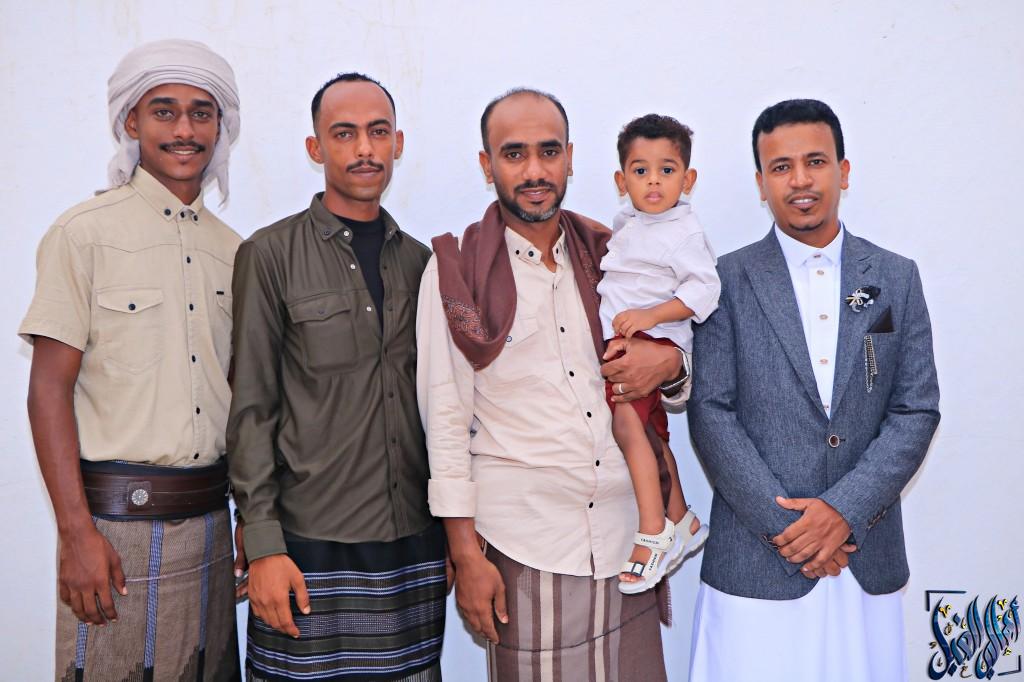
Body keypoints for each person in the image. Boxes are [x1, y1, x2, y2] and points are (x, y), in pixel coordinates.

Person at [417, 88, 689, 681]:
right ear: (487, 164)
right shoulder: (456, 272)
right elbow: (445, 420)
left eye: (548, 151)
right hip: (526, 544)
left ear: (570, 157)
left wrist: (671, 366)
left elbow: (672, 369)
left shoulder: (614, 255)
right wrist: (464, 554)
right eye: (514, 154)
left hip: (627, 537)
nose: (534, 171)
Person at [687, 99, 940, 681]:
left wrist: (843, 512)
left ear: (843, 172)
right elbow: (711, 413)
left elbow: (916, 410)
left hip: (862, 556)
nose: (799, 180)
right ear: (761, 183)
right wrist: (791, 532)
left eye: (815, 162)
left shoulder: (896, 277)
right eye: (781, 167)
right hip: (756, 562)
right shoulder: (723, 280)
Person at [20, 39, 243, 681]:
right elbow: (47, 391)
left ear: (220, 127)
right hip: (113, 531)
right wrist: (75, 535)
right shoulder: (82, 234)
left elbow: (241, 399)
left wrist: (249, 523)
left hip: (212, 524)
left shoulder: (236, 253)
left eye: (202, 112)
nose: (184, 130)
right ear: (131, 122)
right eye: (164, 111)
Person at [227, 73, 446, 682]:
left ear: (398, 142)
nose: (364, 149)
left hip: (412, 548)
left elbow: (441, 408)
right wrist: (263, 544)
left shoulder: (423, 264)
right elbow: (251, 409)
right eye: (344, 134)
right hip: (307, 548)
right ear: (315, 147)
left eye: (378, 132)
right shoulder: (269, 255)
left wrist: (453, 534)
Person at [597, 114, 719, 593]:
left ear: (687, 179)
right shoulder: (630, 223)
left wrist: (650, 316)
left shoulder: (683, 231)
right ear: (621, 181)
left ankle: (653, 532)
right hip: (626, 343)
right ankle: (683, 519)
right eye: (640, 170)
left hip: (655, 343)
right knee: (650, 434)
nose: (653, 181)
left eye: (666, 170)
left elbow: (704, 290)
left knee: (628, 427)